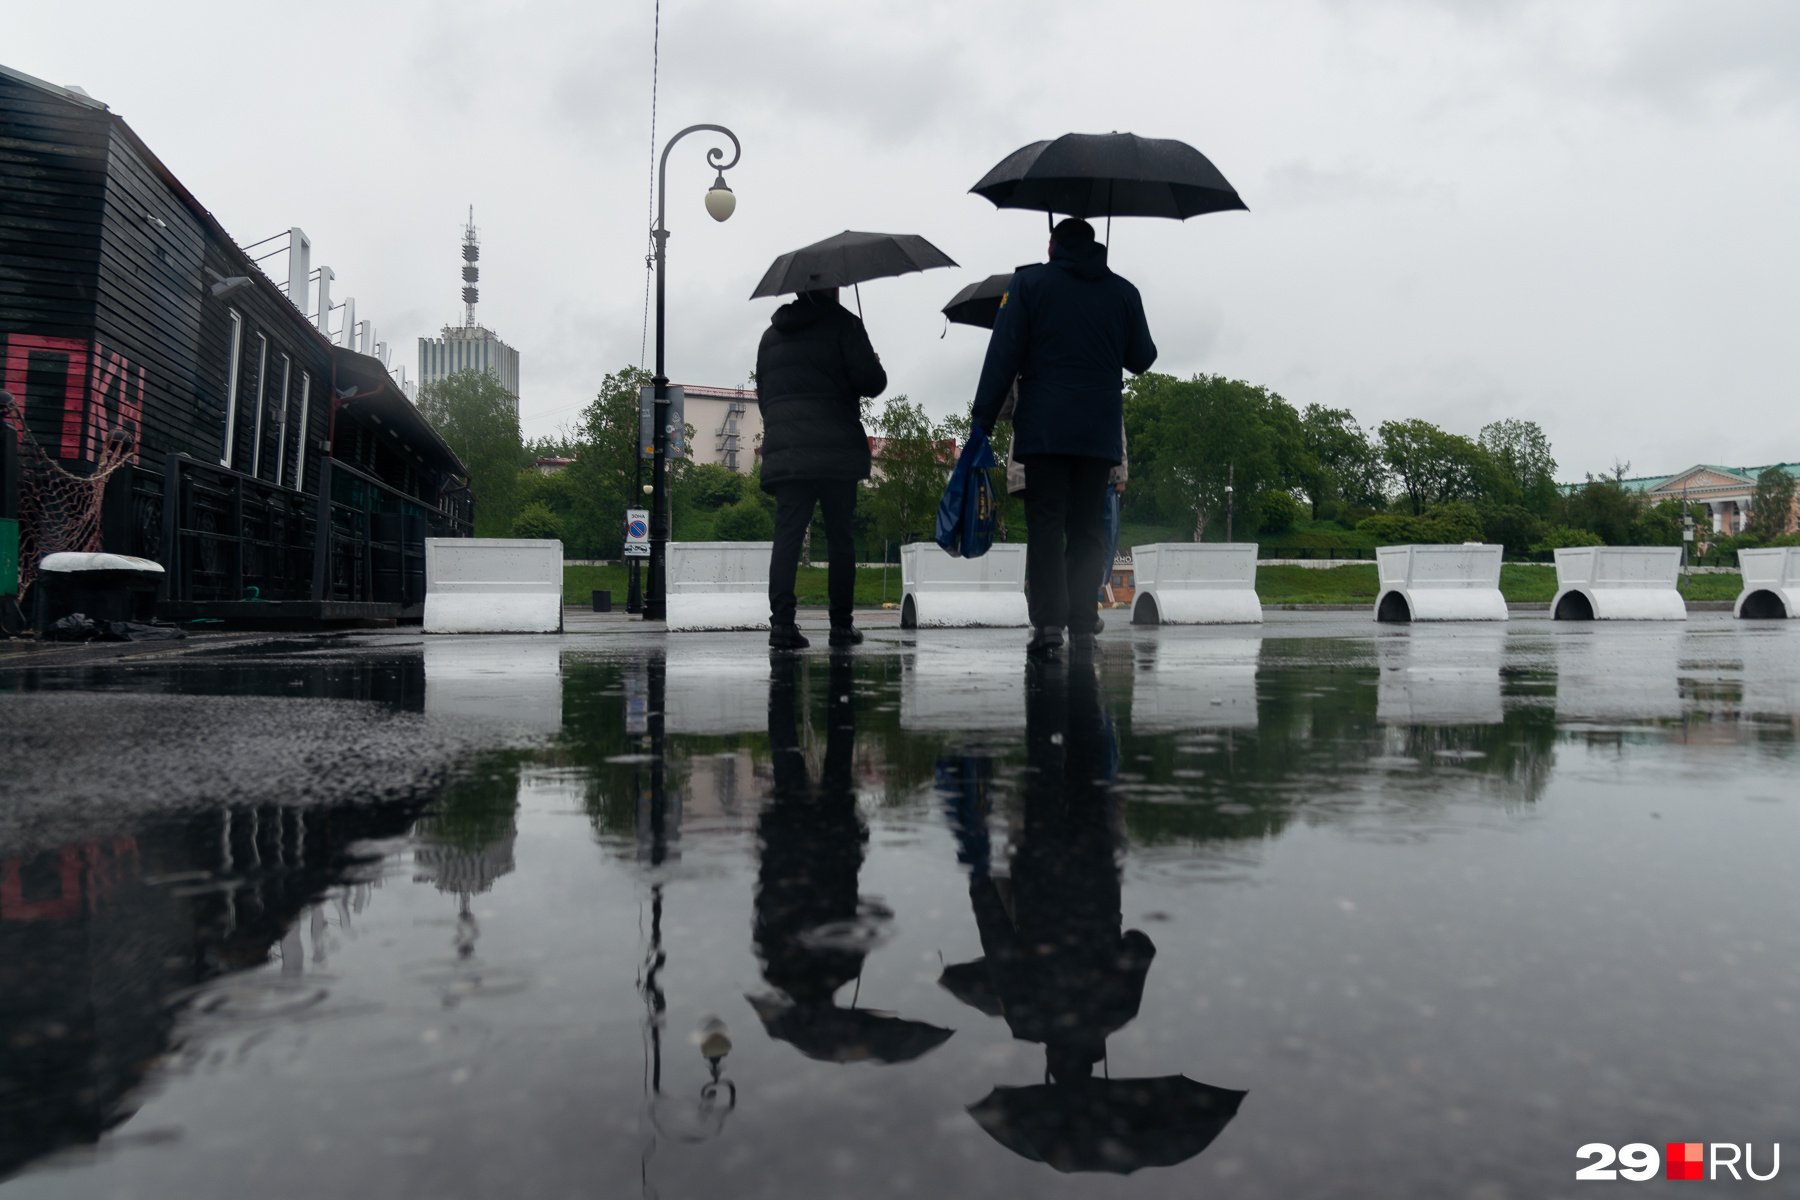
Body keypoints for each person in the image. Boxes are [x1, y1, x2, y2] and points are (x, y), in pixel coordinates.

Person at [972, 219, 1156, 658]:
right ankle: (1083, 625)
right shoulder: (1123, 292)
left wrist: (982, 422)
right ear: (1095, 245)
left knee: (1047, 527)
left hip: (1044, 431)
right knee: (1089, 528)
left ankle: (1050, 626)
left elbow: (1004, 354)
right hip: (1098, 432)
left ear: (1052, 244)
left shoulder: (1029, 284)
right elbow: (1143, 357)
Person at [755, 287, 886, 649]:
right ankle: (841, 626)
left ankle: (781, 625)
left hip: (788, 452)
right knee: (840, 537)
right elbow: (872, 383)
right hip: (836, 451)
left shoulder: (770, 337)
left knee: (787, 537)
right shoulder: (845, 325)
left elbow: (765, 399)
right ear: (833, 288)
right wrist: (871, 362)